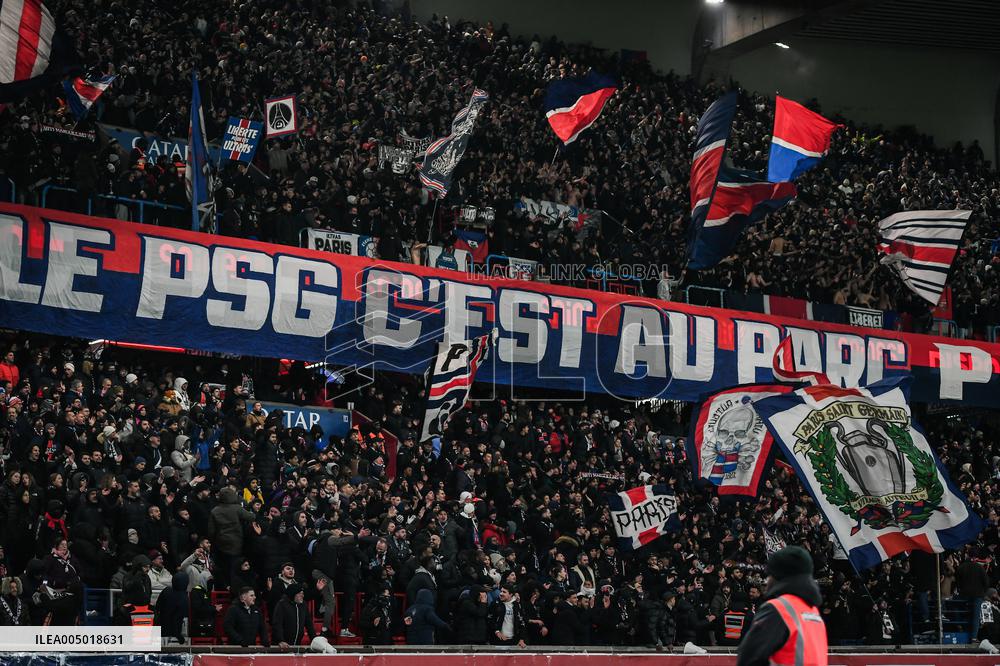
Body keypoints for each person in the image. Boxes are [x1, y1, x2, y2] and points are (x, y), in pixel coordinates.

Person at [737, 546, 828, 666]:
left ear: (778, 576)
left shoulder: (779, 608)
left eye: (769, 574)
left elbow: (748, 658)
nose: (766, 580)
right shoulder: (813, 612)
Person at [271, 583, 315, 649]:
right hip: (282, 646)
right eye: (300, 593)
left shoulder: (303, 605)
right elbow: (277, 624)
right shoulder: (282, 605)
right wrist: (280, 640)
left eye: (303, 593)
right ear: (293, 594)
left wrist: (314, 640)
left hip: (296, 645)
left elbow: (309, 624)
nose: (302, 595)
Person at [956, 554, 990, 641]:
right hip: (978, 595)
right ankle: (974, 637)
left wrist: (961, 590)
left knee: (959, 609)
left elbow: (957, 581)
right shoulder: (980, 568)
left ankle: (960, 629)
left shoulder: (962, 567)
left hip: (964, 594)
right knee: (976, 616)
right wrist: (983, 591)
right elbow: (986, 582)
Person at [154, 571, 190, 643]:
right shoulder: (183, 598)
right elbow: (177, 618)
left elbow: (157, 607)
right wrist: (178, 636)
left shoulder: (166, 590)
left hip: (160, 627)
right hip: (172, 633)